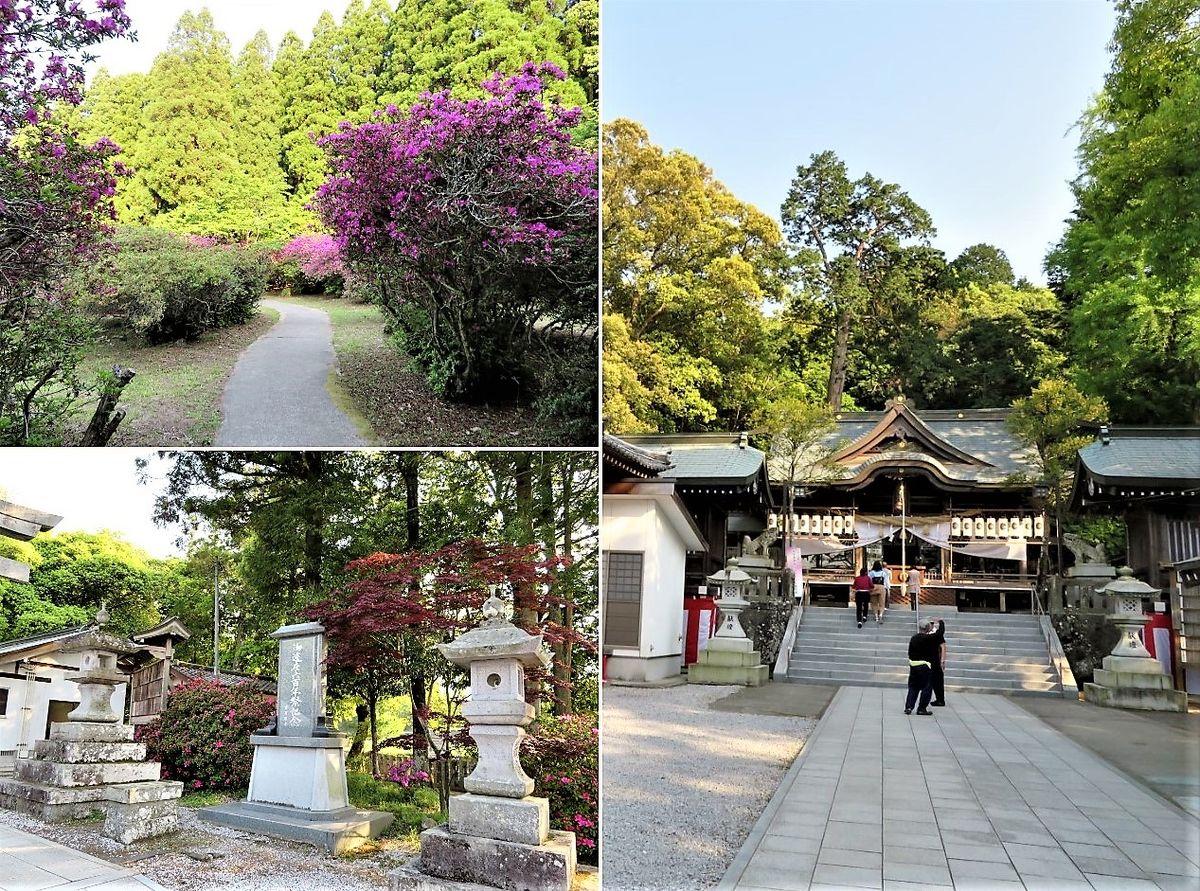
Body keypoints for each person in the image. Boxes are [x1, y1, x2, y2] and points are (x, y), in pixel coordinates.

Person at [905, 617, 939, 715]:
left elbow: (909, 652)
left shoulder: (914, 638)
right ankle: (921, 708)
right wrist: (941, 623)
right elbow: (939, 635)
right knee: (926, 687)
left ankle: (909, 707)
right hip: (924, 666)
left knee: (913, 687)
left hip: (914, 665)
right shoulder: (928, 639)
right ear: (927, 628)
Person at [929, 617, 947, 706]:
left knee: (938, 681)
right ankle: (938, 699)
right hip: (931, 661)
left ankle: (940, 699)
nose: (931, 625)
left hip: (937, 661)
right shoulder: (927, 635)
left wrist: (943, 660)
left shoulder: (937, 635)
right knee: (934, 681)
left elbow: (943, 647)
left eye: (932, 623)